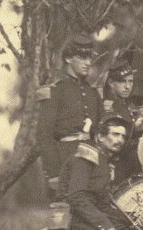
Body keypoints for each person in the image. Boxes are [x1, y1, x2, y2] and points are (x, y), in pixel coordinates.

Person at [37, 35, 104, 197]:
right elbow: (44, 136)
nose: (88, 63)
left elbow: (101, 130)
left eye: (89, 57)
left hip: (92, 162)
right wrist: (53, 173)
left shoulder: (92, 93)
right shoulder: (55, 91)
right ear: (68, 58)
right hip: (65, 162)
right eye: (82, 57)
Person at [103, 59, 143, 184]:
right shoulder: (109, 107)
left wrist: (137, 130)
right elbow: (114, 142)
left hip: (132, 165)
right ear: (111, 83)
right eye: (122, 82)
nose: (127, 86)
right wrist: (134, 131)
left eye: (130, 81)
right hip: (118, 168)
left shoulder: (127, 105)